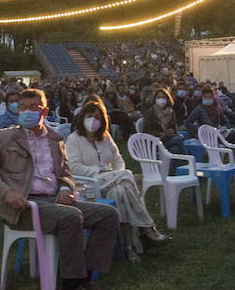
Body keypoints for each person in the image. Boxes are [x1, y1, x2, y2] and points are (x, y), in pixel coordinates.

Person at [0, 87, 119, 290]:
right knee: (70, 217)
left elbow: (66, 173)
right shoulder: (4, 138)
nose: (26, 112)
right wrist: (7, 193)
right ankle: (71, 288)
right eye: (22, 107)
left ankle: (86, 279)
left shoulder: (55, 139)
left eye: (33, 107)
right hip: (23, 204)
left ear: (44, 111)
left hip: (53, 199)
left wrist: (66, 188)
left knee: (108, 215)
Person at [65, 98, 171, 258]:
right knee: (128, 176)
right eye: (89, 116)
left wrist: (117, 174)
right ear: (82, 118)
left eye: (97, 117)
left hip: (111, 180)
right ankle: (148, 229)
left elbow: (118, 159)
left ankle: (129, 247)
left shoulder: (105, 137)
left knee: (120, 192)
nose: (93, 120)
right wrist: (99, 171)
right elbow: (74, 167)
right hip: (88, 185)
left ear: (102, 120)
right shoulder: (74, 139)